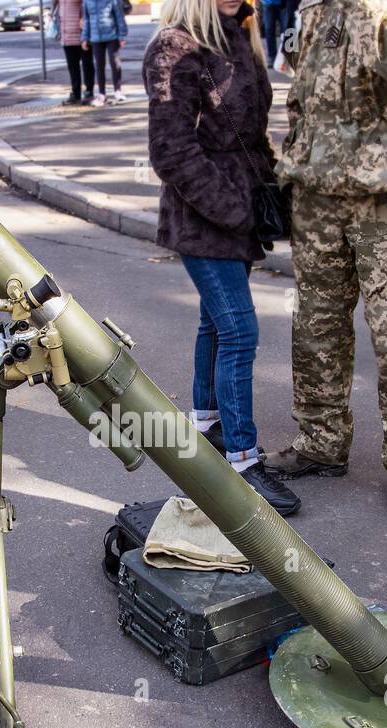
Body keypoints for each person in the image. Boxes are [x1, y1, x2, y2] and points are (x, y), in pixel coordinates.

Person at [266, 0, 387, 521]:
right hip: (317, 196)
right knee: (316, 328)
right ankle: (321, 441)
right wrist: (291, 165)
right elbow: (302, 95)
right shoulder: (316, 7)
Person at [144, 0, 300, 517]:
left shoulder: (241, 34)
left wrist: (273, 191)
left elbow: (253, 137)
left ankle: (206, 424)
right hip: (204, 214)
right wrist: (231, 206)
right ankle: (242, 461)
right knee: (239, 330)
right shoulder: (175, 45)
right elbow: (170, 151)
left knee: (216, 323)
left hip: (243, 210)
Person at [81, 0, 128, 106]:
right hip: (95, 38)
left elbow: (119, 17)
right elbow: (86, 20)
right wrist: (84, 38)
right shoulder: (87, 2)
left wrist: (122, 35)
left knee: (114, 62)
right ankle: (102, 93)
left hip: (112, 37)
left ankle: (118, 90)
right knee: (99, 65)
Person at [52, 0, 95, 105]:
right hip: (66, 35)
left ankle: (89, 92)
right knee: (72, 66)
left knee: (87, 64)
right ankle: (76, 93)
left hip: (82, 34)